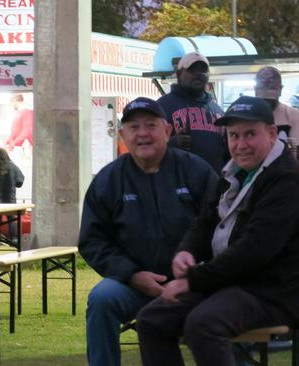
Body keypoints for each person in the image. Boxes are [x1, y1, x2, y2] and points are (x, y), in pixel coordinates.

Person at [136, 96, 299, 366]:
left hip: (273, 292)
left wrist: (194, 279)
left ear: (271, 133)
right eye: (234, 135)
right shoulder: (232, 172)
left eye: (250, 134)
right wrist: (186, 251)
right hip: (232, 283)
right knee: (152, 319)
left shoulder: (286, 179)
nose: (241, 144)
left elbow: (255, 251)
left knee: (204, 324)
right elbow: (204, 222)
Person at [79, 97, 217, 366]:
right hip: (133, 284)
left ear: (167, 131)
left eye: (151, 125)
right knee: (102, 299)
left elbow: (219, 226)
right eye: (133, 127)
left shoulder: (197, 171)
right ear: (122, 135)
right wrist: (131, 275)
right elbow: (92, 241)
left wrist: (198, 275)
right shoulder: (107, 181)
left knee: (229, 301)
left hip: (194, 283)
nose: (142, 134)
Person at [157, 51, 226, 174]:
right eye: (192, 70)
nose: (198, 74)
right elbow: (147, 147)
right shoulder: (162, 106)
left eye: (203, 70)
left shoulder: (218, 111)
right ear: (179, 74)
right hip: (175, 186)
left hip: (212, 186)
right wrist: (170, 143)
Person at [254, 66, 299, 163]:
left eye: (271, 100)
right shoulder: (247, 115)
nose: (267, 103)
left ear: (280, 90)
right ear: (255, 91)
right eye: (264, 99)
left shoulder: (293, 115)